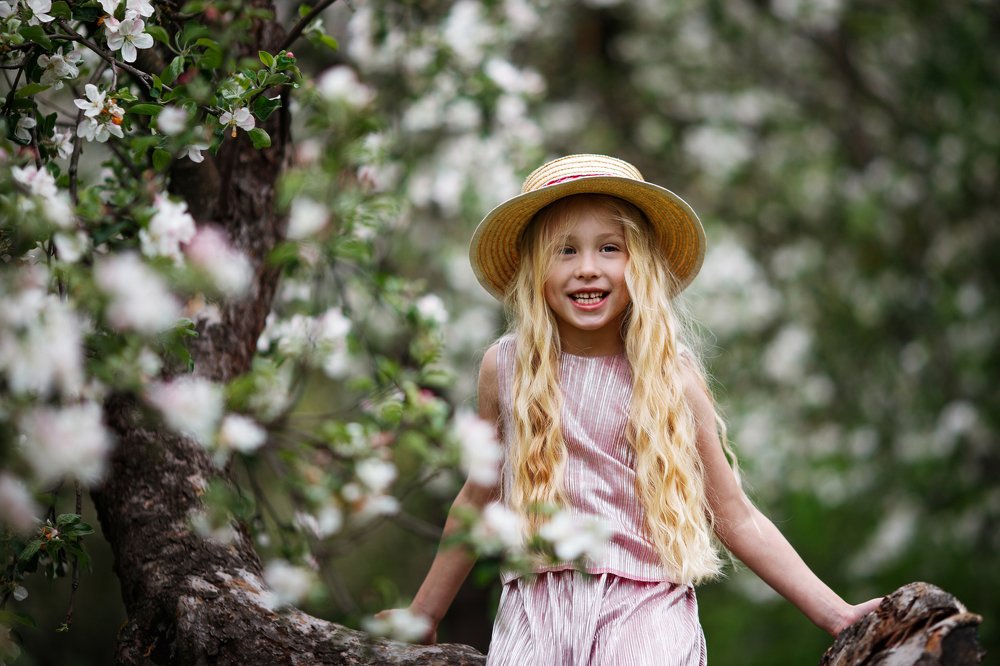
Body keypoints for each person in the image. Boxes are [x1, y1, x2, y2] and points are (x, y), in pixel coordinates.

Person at [384, 154, 880, 664]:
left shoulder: (670, 375)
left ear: (638, 263)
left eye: (609, 248)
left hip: (645, 610)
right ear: (534, 268)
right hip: (537, 610)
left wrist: (836, 613)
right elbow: (479, 496)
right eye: (565, 251)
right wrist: (423, 614)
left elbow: (735, 514)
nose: (587, 268)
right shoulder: (506, 368)